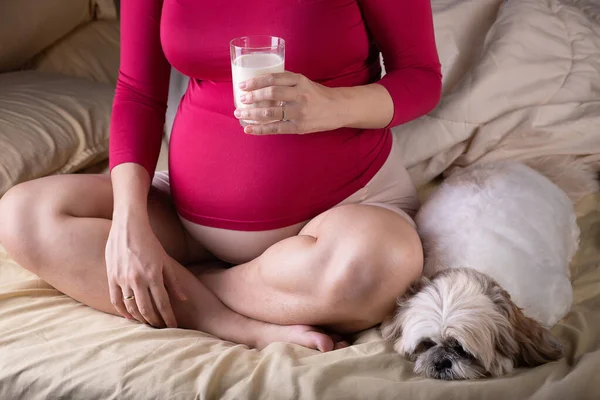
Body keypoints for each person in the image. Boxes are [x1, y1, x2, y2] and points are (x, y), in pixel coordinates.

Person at [0, 0, 441, 352]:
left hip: (344, 209)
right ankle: (227, 321)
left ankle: (191, 284)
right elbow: (138, 92)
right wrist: (128, 225)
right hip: (188, 218)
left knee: (382, 265)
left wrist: (332, 106)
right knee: (21, 215)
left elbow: (421, 77)